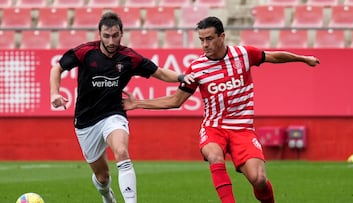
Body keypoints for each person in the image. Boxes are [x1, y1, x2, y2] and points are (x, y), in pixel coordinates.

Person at [123, 16, 320, 203]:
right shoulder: (197, 68)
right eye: (201, 40)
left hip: (242, 129)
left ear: (222, 36)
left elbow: (274, 57)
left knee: (259, 179)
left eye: (209, 39)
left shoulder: (243, 55)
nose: (205, 45)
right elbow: (175, 101)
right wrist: (138, 104)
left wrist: (303, 59)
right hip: (213, 128)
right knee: (215, 156)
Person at [49, 12, 193, 203]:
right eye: (106, 36)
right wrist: (54, 93)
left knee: (122, 151)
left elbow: (159, 73)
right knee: (102, 177)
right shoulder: (85, 52)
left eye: (115, 36)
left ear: (121, 34)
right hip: (86, 120)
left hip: (113, 114)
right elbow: (57, 68)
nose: (111, 41)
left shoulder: (129, 57)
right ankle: (107, 195)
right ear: (99, 34)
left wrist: (182, 77)